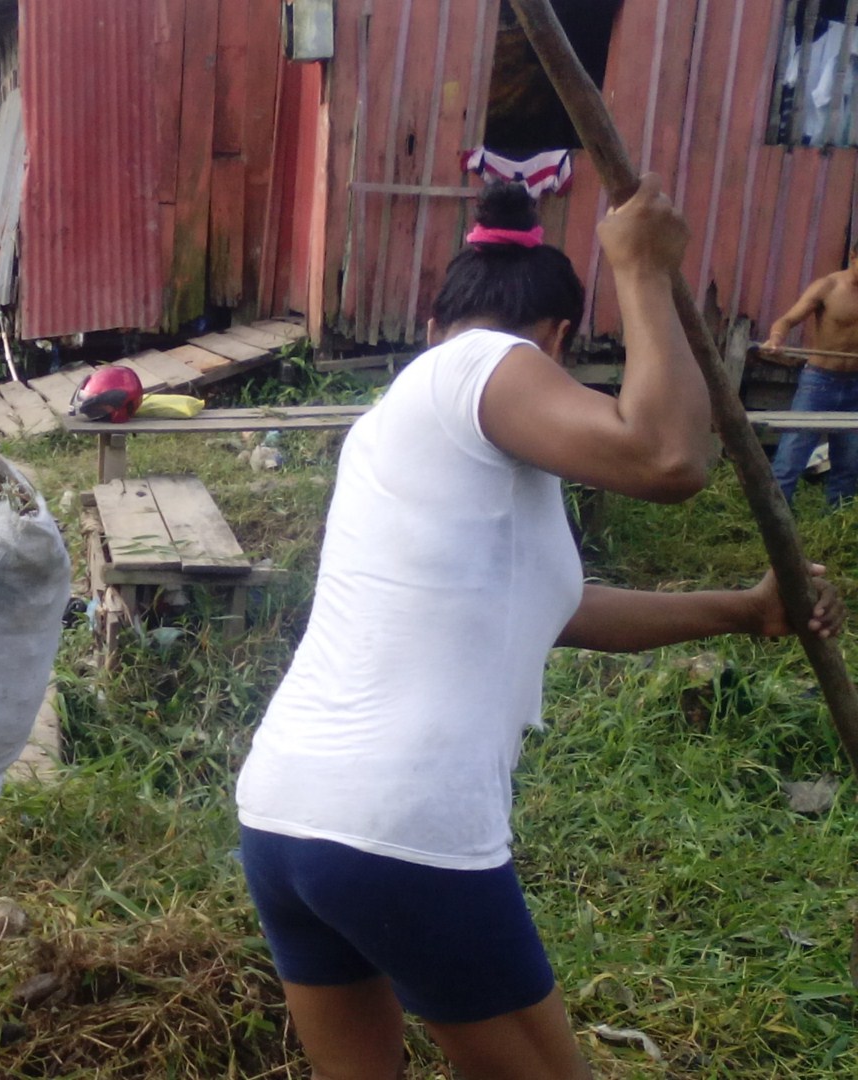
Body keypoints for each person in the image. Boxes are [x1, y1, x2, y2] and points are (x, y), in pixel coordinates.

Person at [232, 178, 845, 1080]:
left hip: (286, 817)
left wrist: (745, 610)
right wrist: (641, 271)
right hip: (404, 828)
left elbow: (557, 611)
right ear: (558, 342)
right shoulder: (479, 363)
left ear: (436, 317)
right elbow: (670, 457)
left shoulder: (409, 431)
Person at [763, 245, 858, 506]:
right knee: (791, 457)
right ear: (853, 257)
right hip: (819, 383)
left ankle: (835, 528)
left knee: (849, 464)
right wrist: (776, 339)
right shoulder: (827, 287)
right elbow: (787, 320)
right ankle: (774, 519)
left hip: (855, 388)